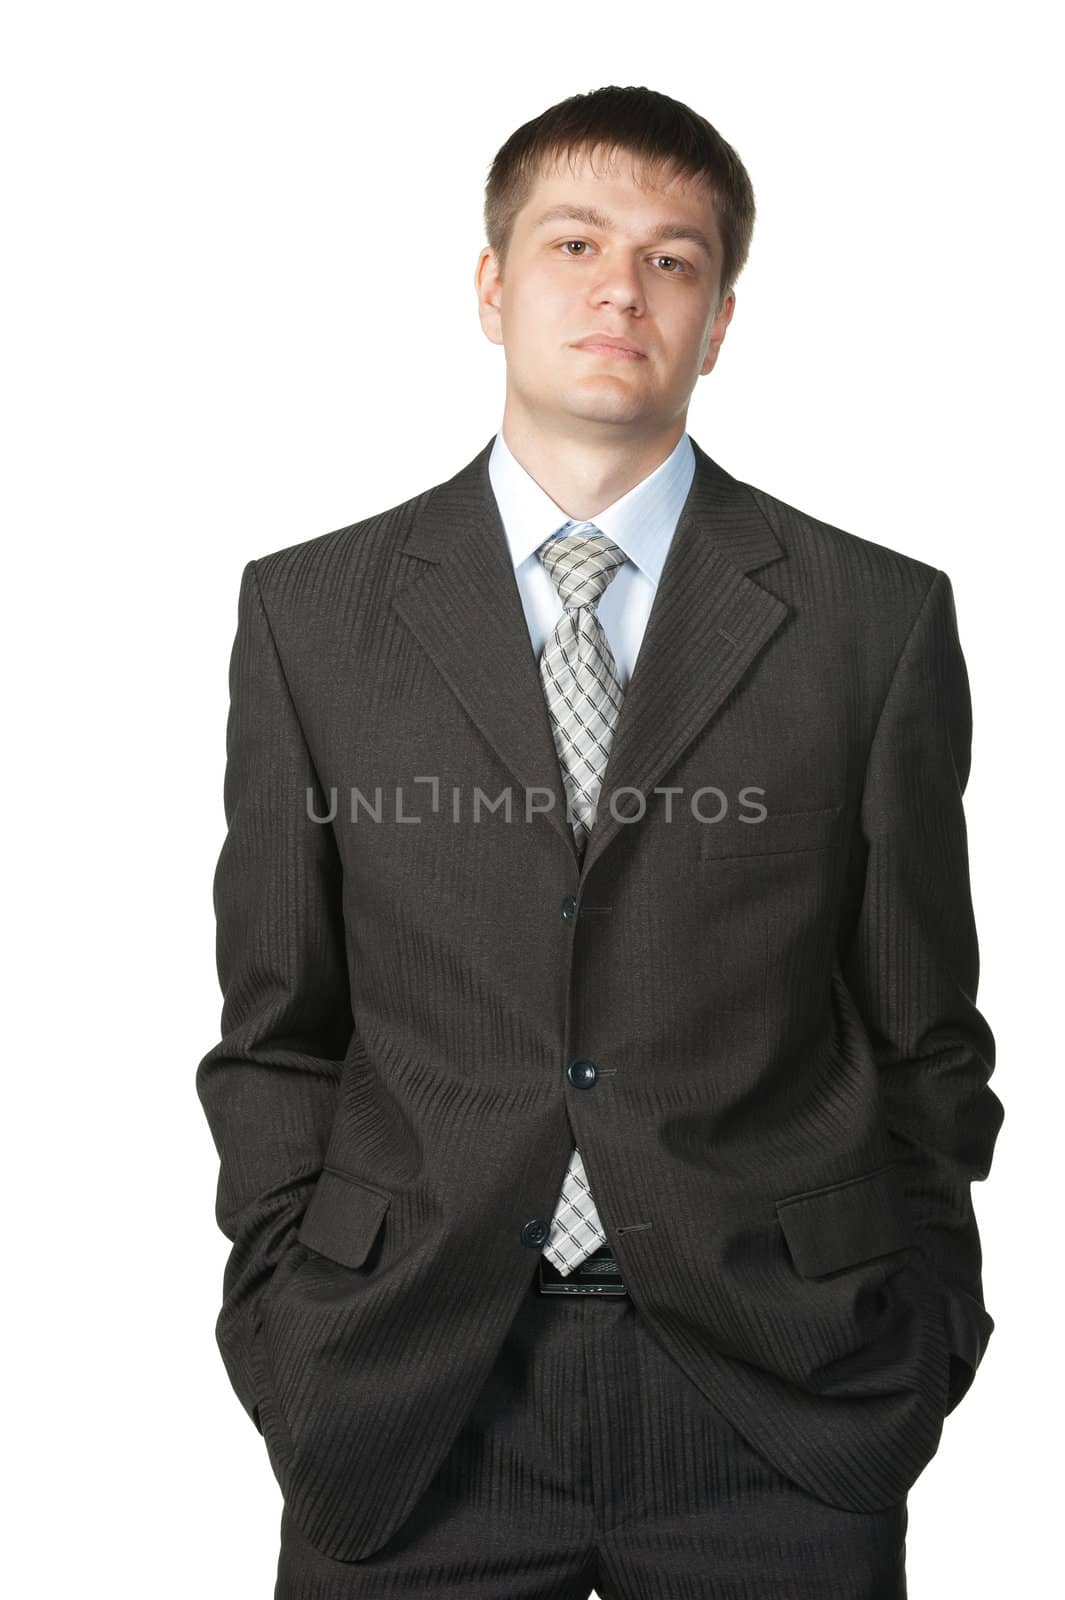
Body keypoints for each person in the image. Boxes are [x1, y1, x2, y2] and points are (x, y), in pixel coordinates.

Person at [197, 84, 1003, 1599]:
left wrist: (920, 1336)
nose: (620, 288)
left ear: (718, 321)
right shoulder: (311, 616)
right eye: (574, 243)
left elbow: (921, 1033)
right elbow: (277, 1028)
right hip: (407, 1393)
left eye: (672, 259)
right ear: (492, 287)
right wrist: (282, 1311)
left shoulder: (872, 622)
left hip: (775, 1397)